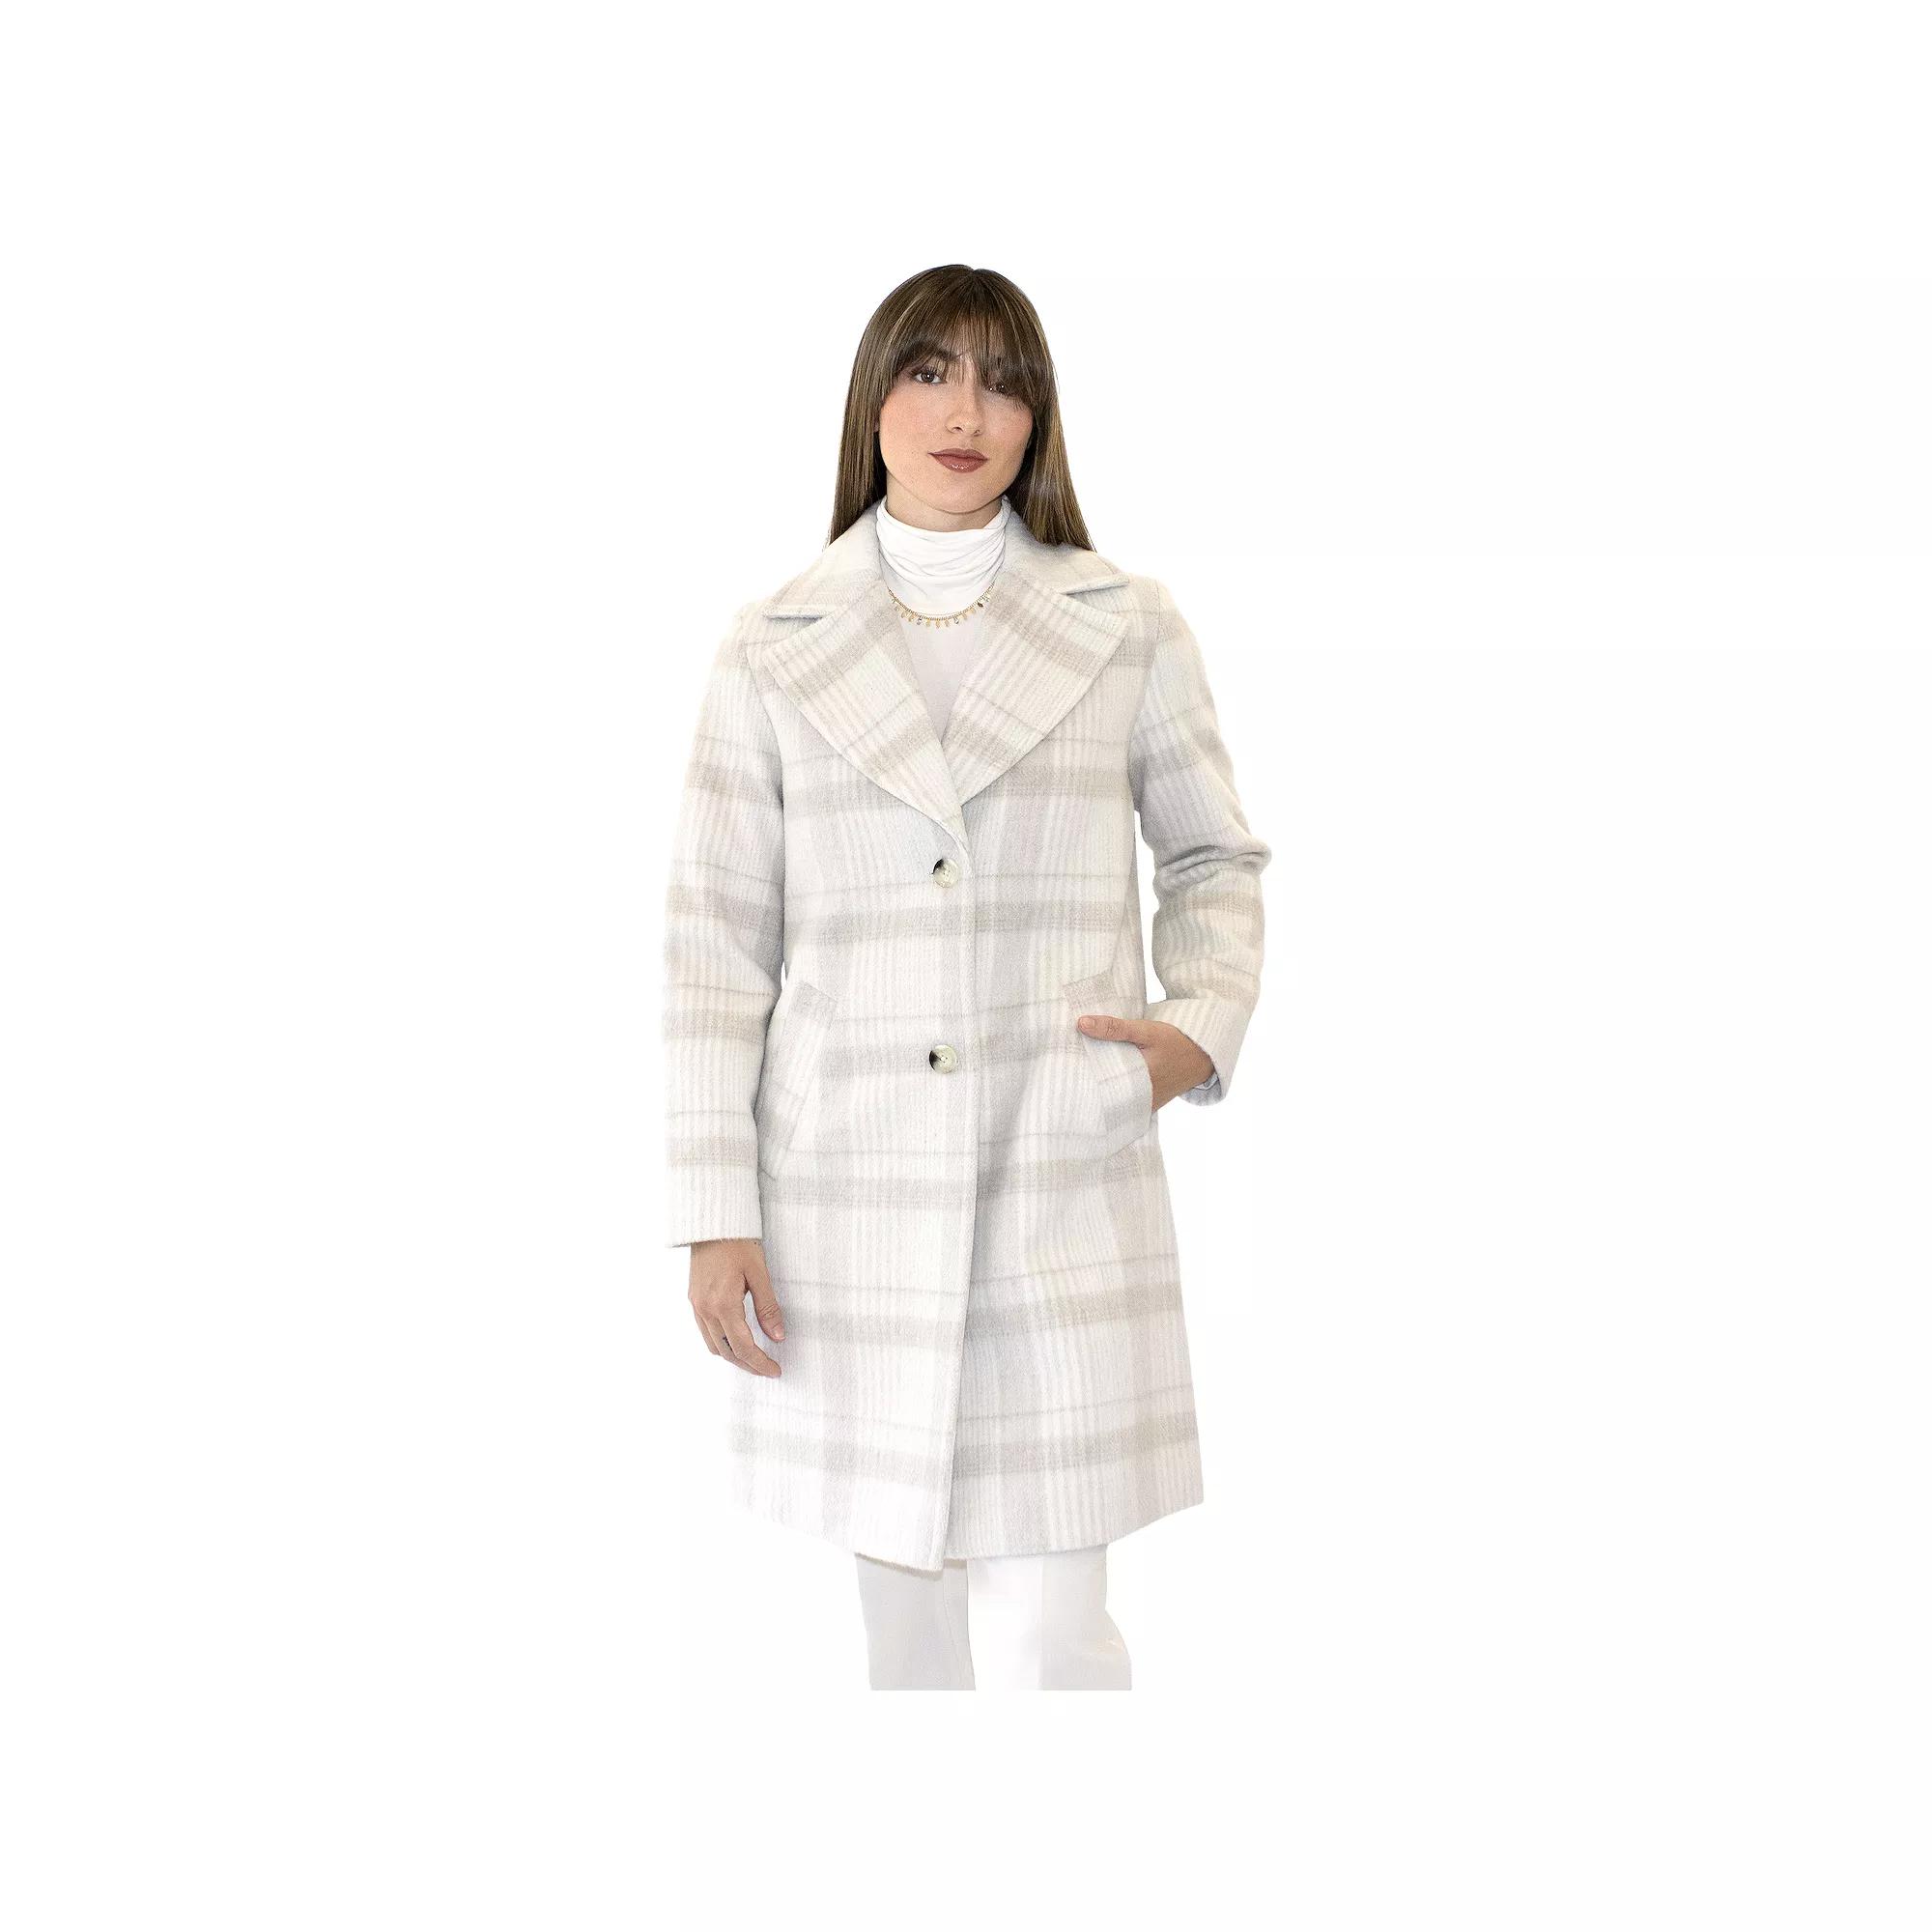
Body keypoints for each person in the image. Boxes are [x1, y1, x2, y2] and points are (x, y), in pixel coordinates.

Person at [664, 265, 1270, 1690]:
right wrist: (713, 1212)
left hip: (1056, 1160)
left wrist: (1193, 1031)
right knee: (905, 1626)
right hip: (850, 1186)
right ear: (872, 398)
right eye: (930, 373)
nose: (965, 414)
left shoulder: (1126, 622)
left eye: (1003, 384)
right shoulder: (772, 643)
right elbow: (714, 942)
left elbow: (1212, 858)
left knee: (1060, 1623)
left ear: (1037, 419)